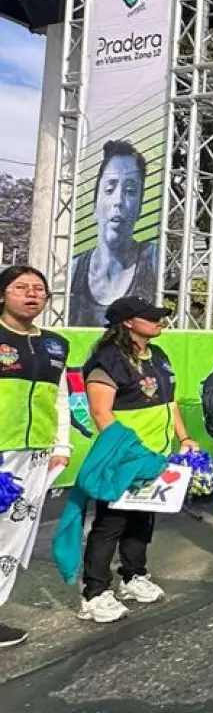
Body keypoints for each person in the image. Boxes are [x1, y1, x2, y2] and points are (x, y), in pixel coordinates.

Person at [79, 296, 199, 623]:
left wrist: (184, 437)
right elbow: (101, 412)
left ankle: (133, 576)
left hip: (156, 455)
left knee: (143, 518)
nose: (160, 320)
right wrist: (130, 450)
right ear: (128, 322)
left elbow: (170, 403)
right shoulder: (108, 361)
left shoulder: (157, 355)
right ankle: (94, 591)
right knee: (111, 523)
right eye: (151, 316)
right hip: (125, 456)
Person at [0, 266, 71, 648]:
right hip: (0, 453)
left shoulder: (57, 344)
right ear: (3, 294)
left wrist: (61, 445)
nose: (31, 294)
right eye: (20, 287)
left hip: (34, 456)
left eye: (38, 289)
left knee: (10, 538)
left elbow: (59, 397)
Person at [68, 141, 159, 326]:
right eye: (109, 189)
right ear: (95, 203)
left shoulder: (154, 259)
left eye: (130, 191)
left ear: (140, 206)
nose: (118, 201)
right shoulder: (73, 269)